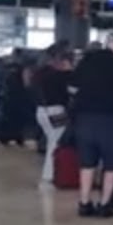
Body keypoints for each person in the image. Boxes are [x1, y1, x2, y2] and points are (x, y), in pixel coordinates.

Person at [69, 33, 113, 217]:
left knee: (87, 163)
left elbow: (72, 87)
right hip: (111, 119)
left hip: (85, 118)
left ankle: (84, 203)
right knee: (112, 164)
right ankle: (104, 204)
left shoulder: (87, 60)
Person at [32, 50, 73, 184]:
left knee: (51, 140)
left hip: (41, 111)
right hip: (57, 111)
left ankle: (49, 173)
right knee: (56, 142)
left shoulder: (38, 74)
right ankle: (51, 173)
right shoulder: (60, 75)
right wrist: (69, 70)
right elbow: (72, 89)